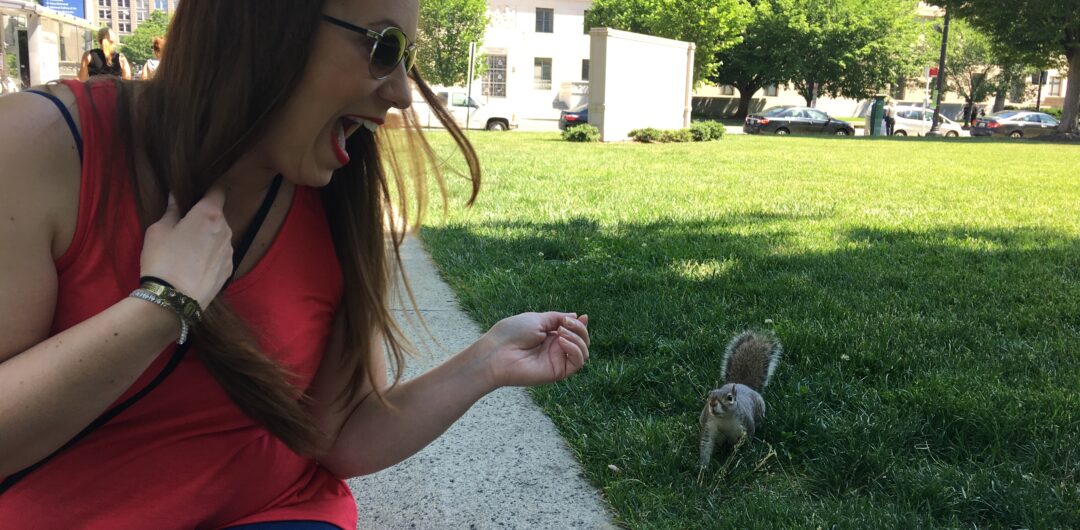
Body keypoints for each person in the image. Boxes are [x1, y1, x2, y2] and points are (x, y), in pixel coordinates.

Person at [0, 1, 591, 528]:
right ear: (262, 22)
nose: (401, 93)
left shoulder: (334, 194)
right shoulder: (41, 145)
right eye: (384, 47)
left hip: (277, 512)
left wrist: (487, 360)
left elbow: (339, 435)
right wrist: (162, 305)